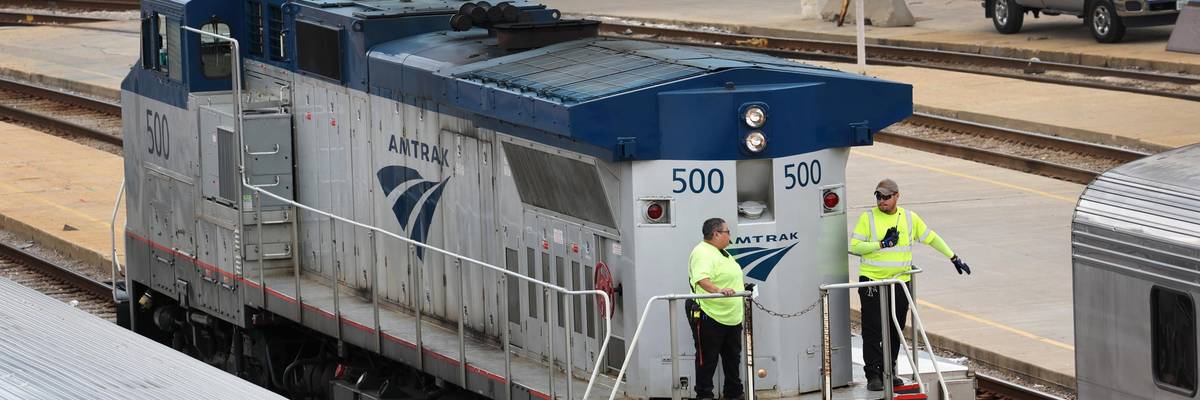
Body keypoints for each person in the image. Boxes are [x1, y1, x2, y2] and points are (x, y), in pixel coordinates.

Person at [849, 179, 972, 391]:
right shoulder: (867, 218)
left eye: (886, 197)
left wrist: (953, 257)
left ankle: (890, 369)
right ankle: (873, 374)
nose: (882, 201)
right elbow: (854, 247)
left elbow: (931, 238)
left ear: (897, 196)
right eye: (878, 197)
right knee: (873, 329)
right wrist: (882, 244)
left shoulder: (909, 218)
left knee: (895, 327)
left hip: (899, 282)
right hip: (872, 282)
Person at [687, 218, 745, 400]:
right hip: (709, 314)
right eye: (727, 232)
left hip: (731, 316)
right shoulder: (702, 252)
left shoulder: (722, 253)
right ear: (716, 234)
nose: (730, 236)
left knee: (732, 357)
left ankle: (734, 393)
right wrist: (719, 290)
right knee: (708, 359)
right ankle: (704, 395)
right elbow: (702, 279)